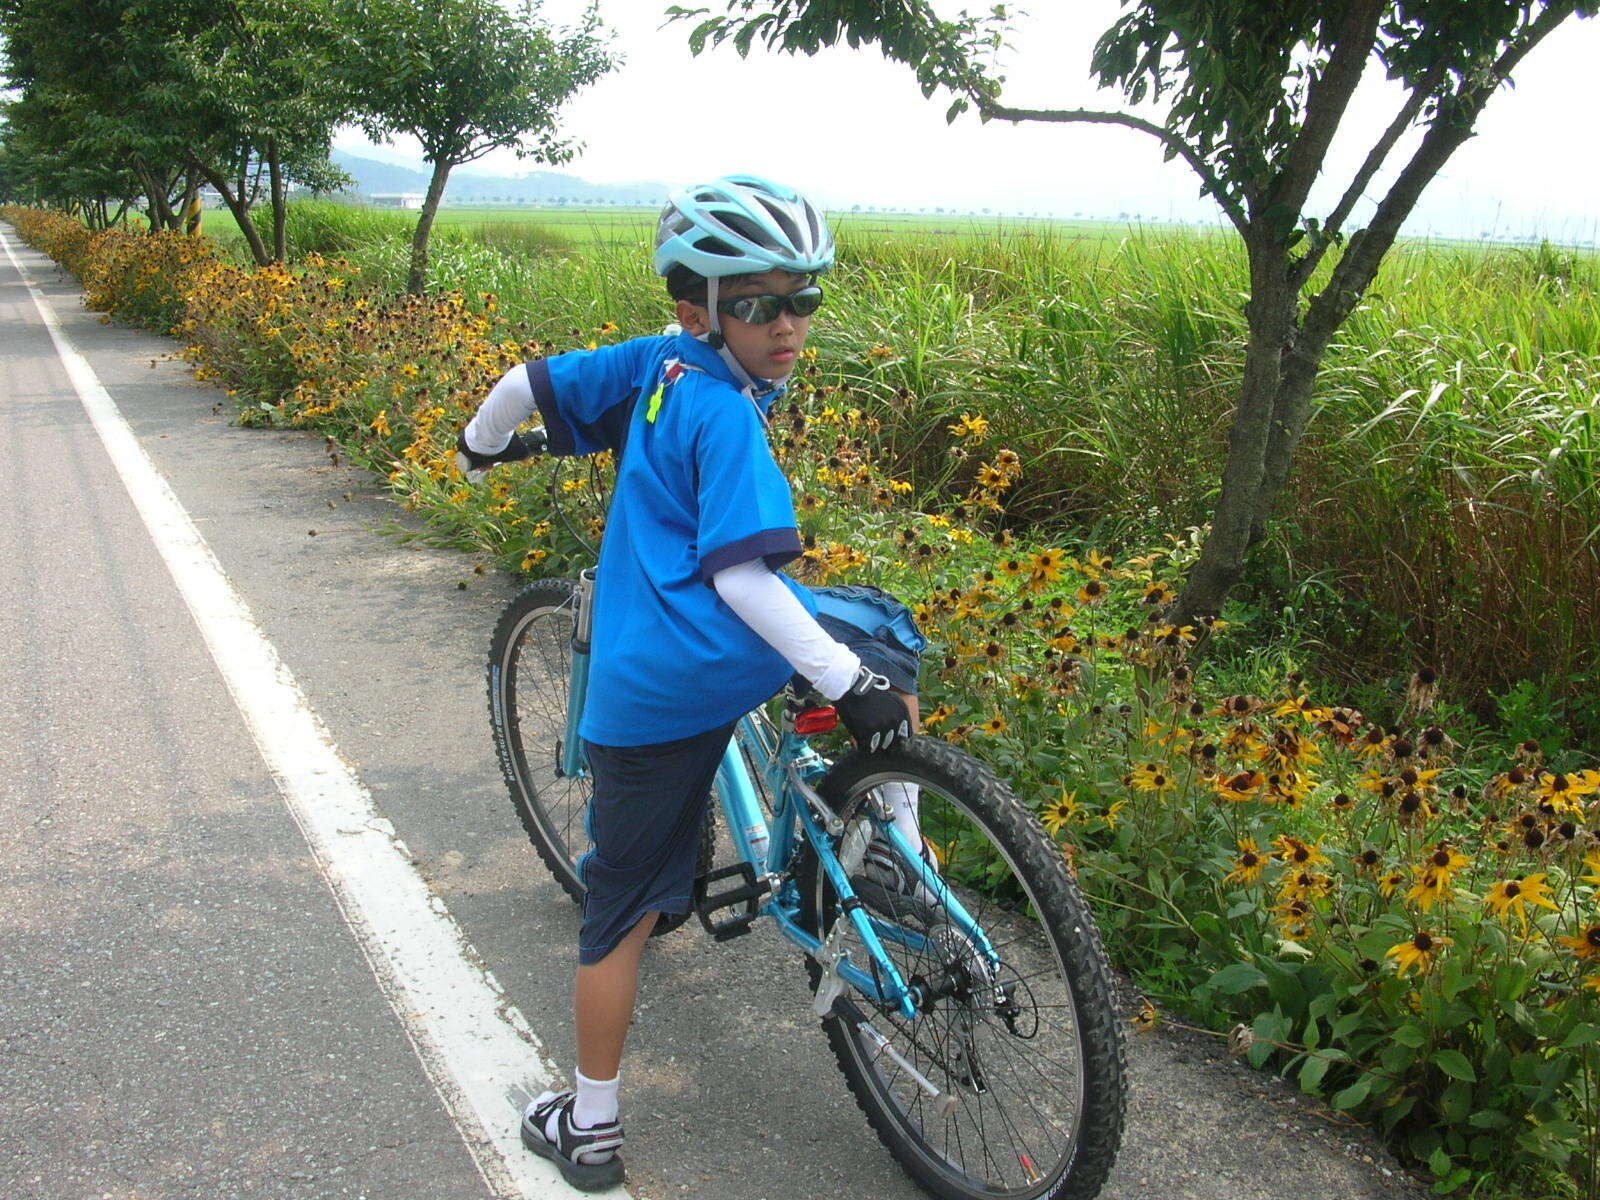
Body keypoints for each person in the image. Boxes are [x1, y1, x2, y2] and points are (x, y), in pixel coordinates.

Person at [455, 174, 932, 1192]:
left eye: (802, 299)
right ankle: (902, 844)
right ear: (698, 311)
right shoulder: (721, 406)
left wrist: (478, 449)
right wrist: (851, 681)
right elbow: (747, 578)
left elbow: (519, 389)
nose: (787, 325)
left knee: (618, 911)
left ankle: (588, 1127)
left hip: (656, 692)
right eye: (758, 305)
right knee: (881, 630)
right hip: (735, 654)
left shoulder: (657, 366)